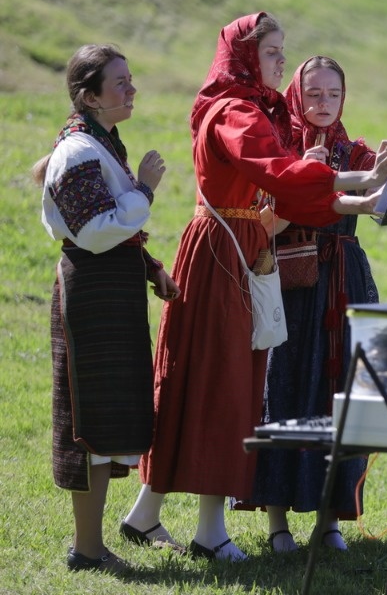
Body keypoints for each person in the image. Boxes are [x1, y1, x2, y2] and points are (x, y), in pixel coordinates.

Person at [120, 13, 387, 562]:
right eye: (272, 52)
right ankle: (207, 530)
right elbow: (276, 170)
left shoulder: (253, 109)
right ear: (246, 56)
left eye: (280, 51)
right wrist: (353, 180)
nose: (280, 62)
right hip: (226, 250)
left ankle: (146, 515)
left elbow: (291, 193)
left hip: (244, 247)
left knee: (219, 383)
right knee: (221, 385)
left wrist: (358, 197)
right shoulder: (234, 111)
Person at [35, 43, 179, 574]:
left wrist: (152, 268)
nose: (132, 88)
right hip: (91, 296)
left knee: (108, 415)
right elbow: (95, 232)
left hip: (111, 288)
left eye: (131, 78)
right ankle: (87, 549)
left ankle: (92, 546)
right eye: (120, 82)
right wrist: (144, 187)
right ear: (89, 97)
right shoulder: (77, 152)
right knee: (90, 419)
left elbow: (114, 233)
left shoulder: (100, 144)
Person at [242, 55, 381, 553]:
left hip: (346, 281)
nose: (324, 103)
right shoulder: (277, 148)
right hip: (293, 284)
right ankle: (277, 522)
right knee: (284, 388)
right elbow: (263, 223)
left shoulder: (357, 152)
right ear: (299, 96)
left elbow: (385, 208)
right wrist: (306, 177)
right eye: (315, 93)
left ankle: (330, 521)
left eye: (334, 94)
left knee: (341, 396)